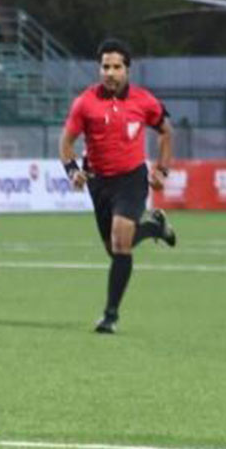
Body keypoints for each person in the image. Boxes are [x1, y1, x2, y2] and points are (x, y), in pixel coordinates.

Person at [59, 38, 178, 334]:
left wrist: (162, 170)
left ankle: (110, 316)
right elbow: (66, 141)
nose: (110, 73)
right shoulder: (85, 102)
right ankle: (154, 228)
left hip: (131, 179)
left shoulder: (144, 101)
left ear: (127, 70)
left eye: (116, 67)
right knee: (114, 250)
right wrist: (73, 171)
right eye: (105, 67)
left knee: (121, 241)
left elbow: (166, 131)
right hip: (98, 182)